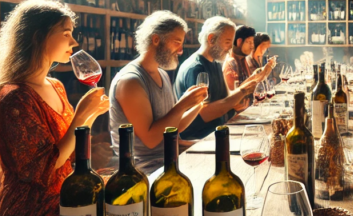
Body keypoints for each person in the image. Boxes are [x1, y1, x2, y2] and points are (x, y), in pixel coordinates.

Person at [0, 0, 110, 216]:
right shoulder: (14, 97)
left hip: (67, 194)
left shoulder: (56, 87)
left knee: (129, 197)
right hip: (31, 213)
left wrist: (90, 116)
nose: (74, 42)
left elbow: (71, 151)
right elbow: (44, 171)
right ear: (39, 37)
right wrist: (80, 116)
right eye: (66, 33)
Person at [109, 11, 208, 172]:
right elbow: (151, 139)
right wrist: (183, 104)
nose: (181, 50)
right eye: (177, 42)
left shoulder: (161, 74)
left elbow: (174, 126)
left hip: (169, 160)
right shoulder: (130, 81)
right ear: (156, 39)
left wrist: (197, 104)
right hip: (143, 170)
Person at [175, 17, 272, 140]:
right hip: (199, 138)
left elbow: (228, 98)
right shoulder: (196, 68)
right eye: (227, 42)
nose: (230, 49)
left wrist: (253, 79)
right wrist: (243, 91)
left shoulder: (215, 63)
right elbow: (204, 113)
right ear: (211, 39)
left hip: (218, 133)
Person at [223, 25, 255, 91]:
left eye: (252, 42)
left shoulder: (243, 59)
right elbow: (233, 94)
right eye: (249, 42)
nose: (252, 46)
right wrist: (259, 75)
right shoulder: (231, 63)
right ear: (239, 42)